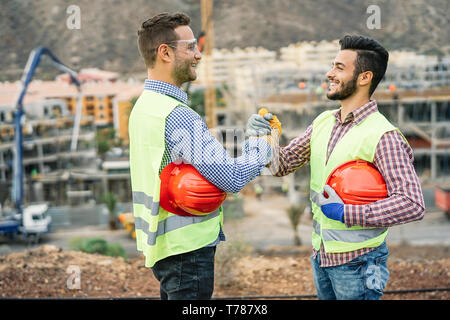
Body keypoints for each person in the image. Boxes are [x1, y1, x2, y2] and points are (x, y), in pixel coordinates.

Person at [251, 35, 425, 300]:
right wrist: (266, 138)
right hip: (322, 256)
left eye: (339, 68)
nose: (329, 73)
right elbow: (281, 165)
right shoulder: (323, 122)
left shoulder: (383, 135)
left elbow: (412, 203)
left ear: (364, 77)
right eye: (332, 66)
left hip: (360, 261)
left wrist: (348, 213)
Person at [128, 12, 275, 300]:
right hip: (188, 252)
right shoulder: (178, 116)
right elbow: (231, 178)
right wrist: (263, 144)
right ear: (165, 53)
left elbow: (195, 164)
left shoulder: (145, 107)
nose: (198, 55)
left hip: (165, 249)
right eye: (191, 47)